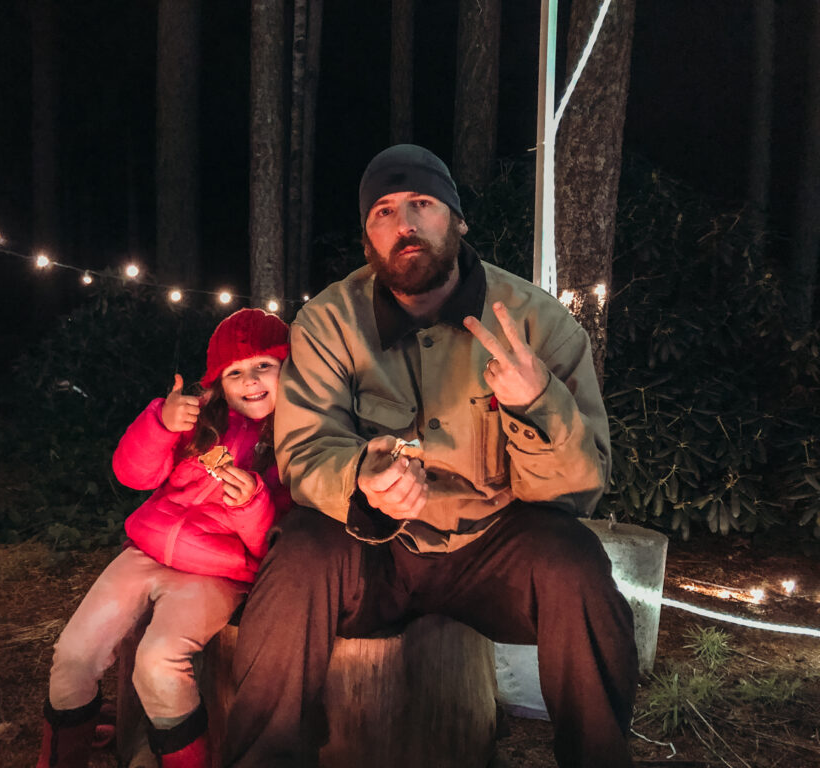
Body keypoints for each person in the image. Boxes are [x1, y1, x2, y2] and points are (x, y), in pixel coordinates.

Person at [221, 145, 639, 768]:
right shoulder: (329, 321)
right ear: (367, 236)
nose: (405, 224)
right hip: (375, 548)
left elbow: (579, 488)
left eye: (422, 203)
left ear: (458, 219)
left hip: (495, 548)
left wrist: (537, 404)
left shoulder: (537, 322)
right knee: (299, 555)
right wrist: (360, 480)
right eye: (384, 211)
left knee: (576, 563)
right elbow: (306, 451)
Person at [35, 308, 291, 768]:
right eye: (235, 372)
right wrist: (160, 422)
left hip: (216, 573)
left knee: (158, 663)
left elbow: (272, 544)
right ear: (218, 381)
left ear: (288, 368)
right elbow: (131, 474)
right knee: (72, 656)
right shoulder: (199, 421)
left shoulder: (296, 440)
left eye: (263, 365)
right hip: (145, 554)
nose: (250, 380)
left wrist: (252, 503)